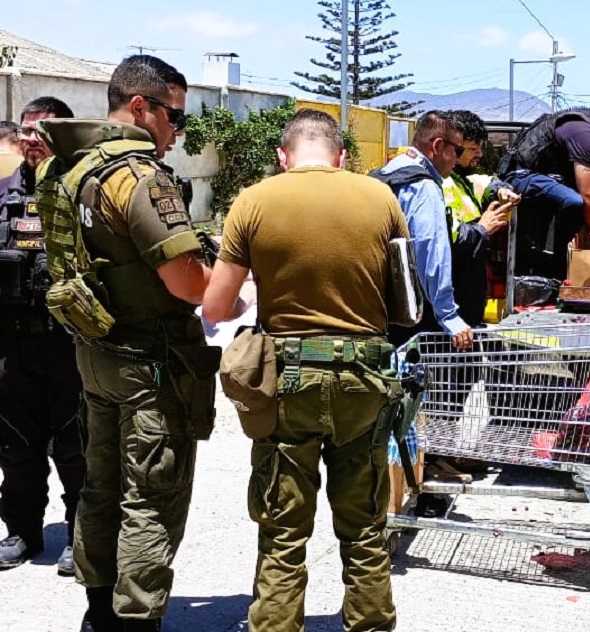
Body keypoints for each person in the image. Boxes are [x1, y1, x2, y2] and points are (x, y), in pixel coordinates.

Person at [203, 108, 404, 632]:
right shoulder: (381, 198)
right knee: (363, 525)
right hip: (364, 379)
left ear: (282, 156)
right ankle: (371, 624)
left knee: (283, 528)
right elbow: (407, 303)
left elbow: (215, 308)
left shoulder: (254, 200)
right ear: (341, 156)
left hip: (286, 383)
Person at [36, 55, 214, 632]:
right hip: (150, 363)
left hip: (96, 353)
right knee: (151, 497)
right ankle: (134, 621)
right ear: (142, 107)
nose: (177, 132)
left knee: (100, 486)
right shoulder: (138, 176)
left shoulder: (69, 168)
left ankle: (98, 614)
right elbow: (188, 282)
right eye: (175, 117)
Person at [0, 96, 84, 577]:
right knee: (16, 446)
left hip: (68, 342)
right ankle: (22, 532)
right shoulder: (3, 193)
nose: (34, 139)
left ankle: (78, 534)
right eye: (28, 130)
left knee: (75, 447)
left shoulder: (81, 192)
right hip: (12, 342)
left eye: (44, 130)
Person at [497, 108, 590, 279]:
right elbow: (588, 197)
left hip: (550, 179)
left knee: (577, 202)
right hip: (523, 175)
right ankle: (559, 271)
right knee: (574, 202)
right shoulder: (584, 134)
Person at [372, 111, 472, 350]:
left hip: (379, 308)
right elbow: (430, 250)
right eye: (457, 151)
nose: (457, 160)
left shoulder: (384, 175)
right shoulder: (424, 187)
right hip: (412, 315)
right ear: (438, 145)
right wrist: (448, 316)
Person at [443, 110, 519, 326]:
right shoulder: (440, 184)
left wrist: (501, 189)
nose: (479, 154)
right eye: (471, 149)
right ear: (452, 147)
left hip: (467, 300)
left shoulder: (460, 179)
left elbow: (484, 182)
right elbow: (450, 243)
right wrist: (483, 227)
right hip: (453, 302)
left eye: (480, 148)